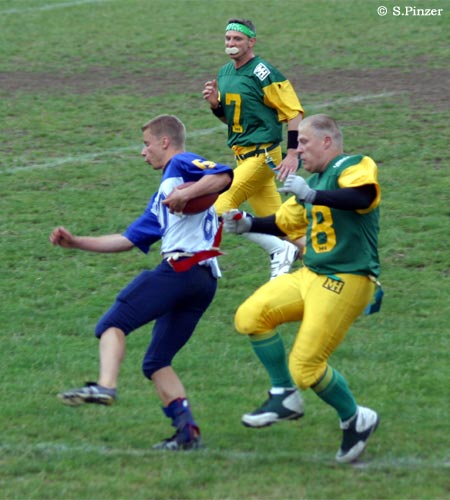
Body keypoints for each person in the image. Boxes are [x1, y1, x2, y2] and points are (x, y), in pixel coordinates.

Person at [50, 114, 233, 451]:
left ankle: (105, 386)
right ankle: (187, 434)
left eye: (147, 144)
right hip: (203, 281)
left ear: (165, 141)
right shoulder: (163, 193)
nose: (143, 152)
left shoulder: (180, 163)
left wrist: (188, 193)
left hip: (181, 270)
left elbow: (223, 175)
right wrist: (76, 242)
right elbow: (126, 240)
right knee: (156, 362)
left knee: (112, 324)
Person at [223, 114, 382, 464]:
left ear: (327, 141)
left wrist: (313, 194)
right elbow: (283, 222)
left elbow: (363, 195)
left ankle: (356, 418)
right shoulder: (313, 181)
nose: (298, 150)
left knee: (306, 367)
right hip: (312, 274)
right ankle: (284, 395)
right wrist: (247, 223)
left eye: (304, 142)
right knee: (250, 316)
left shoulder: (352, 165)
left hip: (347, 278)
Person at [203, 17, 305, 280]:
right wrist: (216, 106)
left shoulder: (263, 72)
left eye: (238, 38)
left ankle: (279, 251)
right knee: (282, 226)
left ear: (251, 42)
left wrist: (293, 153)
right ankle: (334, 266)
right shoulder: (224, 73)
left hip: (262, 156)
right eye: (228, 38)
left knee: (219, 204)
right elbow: (232, 120)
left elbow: (294, 113)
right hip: (244, 157)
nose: (232, 43)